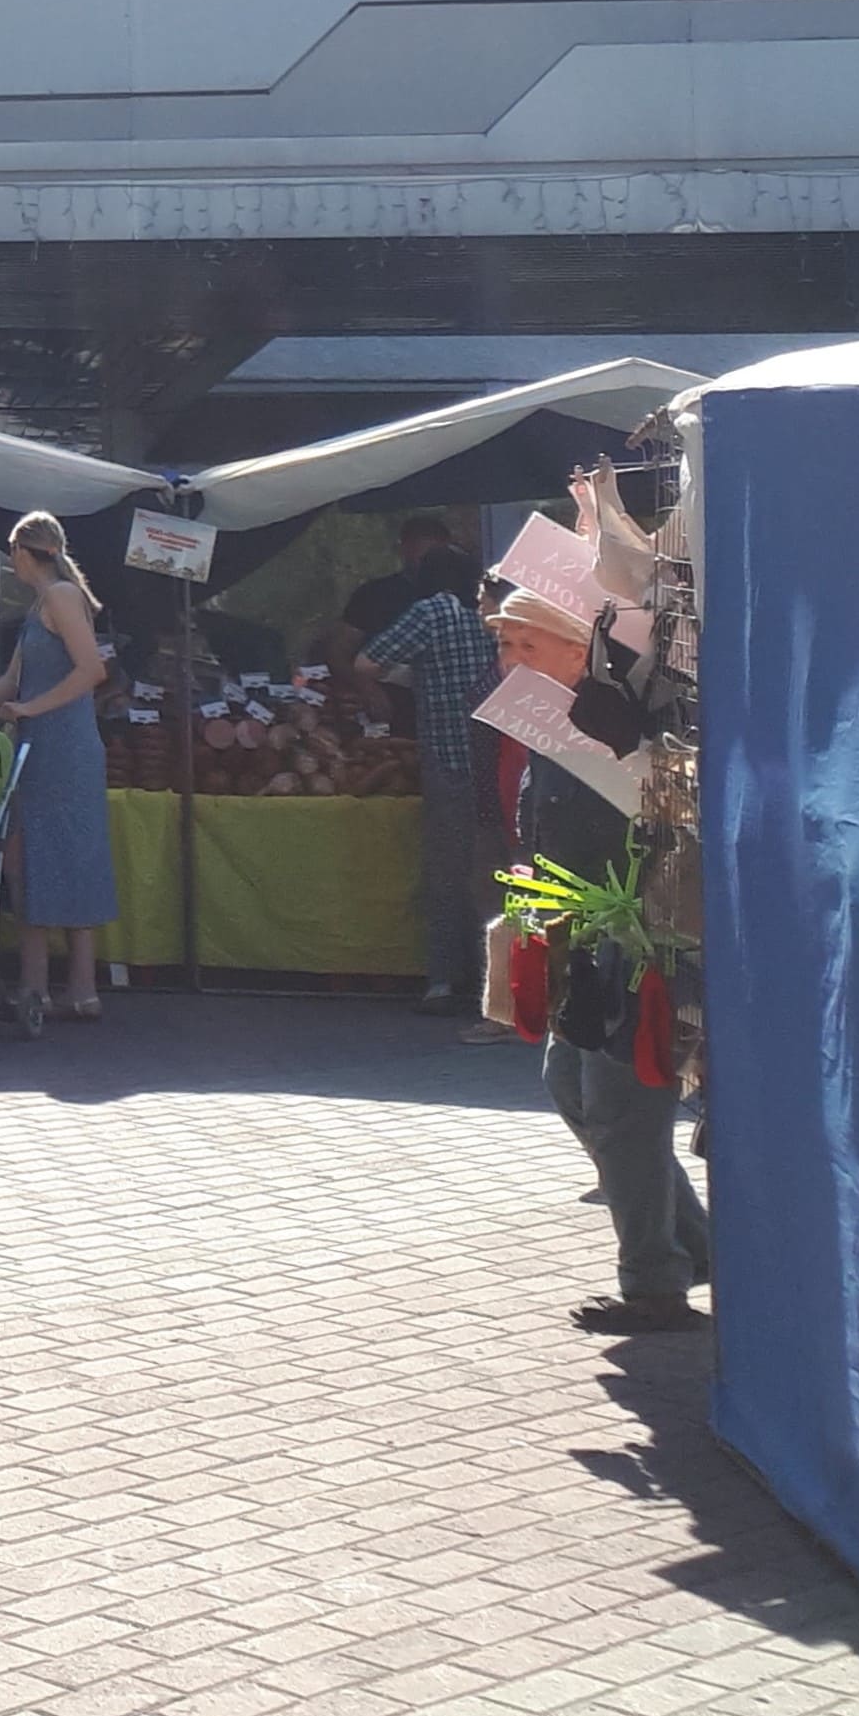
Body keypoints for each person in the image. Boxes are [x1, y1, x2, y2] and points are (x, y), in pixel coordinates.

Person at [491, 592, 710, 1333]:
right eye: (505, 646)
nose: (511, 661)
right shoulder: (544, 731)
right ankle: (694, 1247)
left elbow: (677, 828)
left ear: (576, 651)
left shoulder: (637, 722)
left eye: (528, 645)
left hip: (642, 940)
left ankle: (654, 1284)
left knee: (622, 1107)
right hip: (587, 938)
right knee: (572, 1086)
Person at [0, 510, 115, 1030]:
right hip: (39, 747)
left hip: (64, 746)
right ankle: (42, 987)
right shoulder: (42, 604)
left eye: (12, 552)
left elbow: (92, 670)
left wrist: (31, 710)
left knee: (63, 856)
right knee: (30, 859)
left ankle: (76, 989)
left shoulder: (60, 597)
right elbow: (15, 678)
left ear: (23, 552)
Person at [363, 544, 502, 1019]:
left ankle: (443, 982)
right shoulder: (491, 613)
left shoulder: (431, 612)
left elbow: (367, 663)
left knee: (446, 873)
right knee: (492, 873)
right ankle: (494, 984)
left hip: (447, 760)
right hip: (497, 763)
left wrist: (378, 698)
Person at [328, 512, 462, 733]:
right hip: (388, 715)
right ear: (404, 549)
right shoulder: (375, 595)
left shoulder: (466, 599)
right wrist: (366, 687)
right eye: (423, 558)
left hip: (448, 717)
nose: (432, 566)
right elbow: (337, 651)